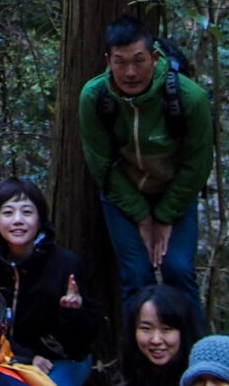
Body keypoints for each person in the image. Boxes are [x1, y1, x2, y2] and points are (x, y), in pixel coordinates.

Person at [78, 19, 213, 325]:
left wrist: (164, 217)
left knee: (178, 269)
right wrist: (142, 217)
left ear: (154, 58)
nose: (130, 72)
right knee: (136, 276)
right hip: (123, 194)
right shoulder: (94, 97)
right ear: (107, 62)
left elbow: (197, 165)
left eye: (139, 61)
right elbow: (102, 165)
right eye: (120, 62)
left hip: (175, 192)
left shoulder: (190, 99)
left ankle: (198, 363)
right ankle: (136, 365)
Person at [0, 178, 101, 386]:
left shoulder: (65, 264)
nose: (18, 221)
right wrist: (24, 357)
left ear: (40, 218)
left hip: (57, 361)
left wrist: (73, 313)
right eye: (8, 213)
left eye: (27, 212)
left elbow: (80, 346)